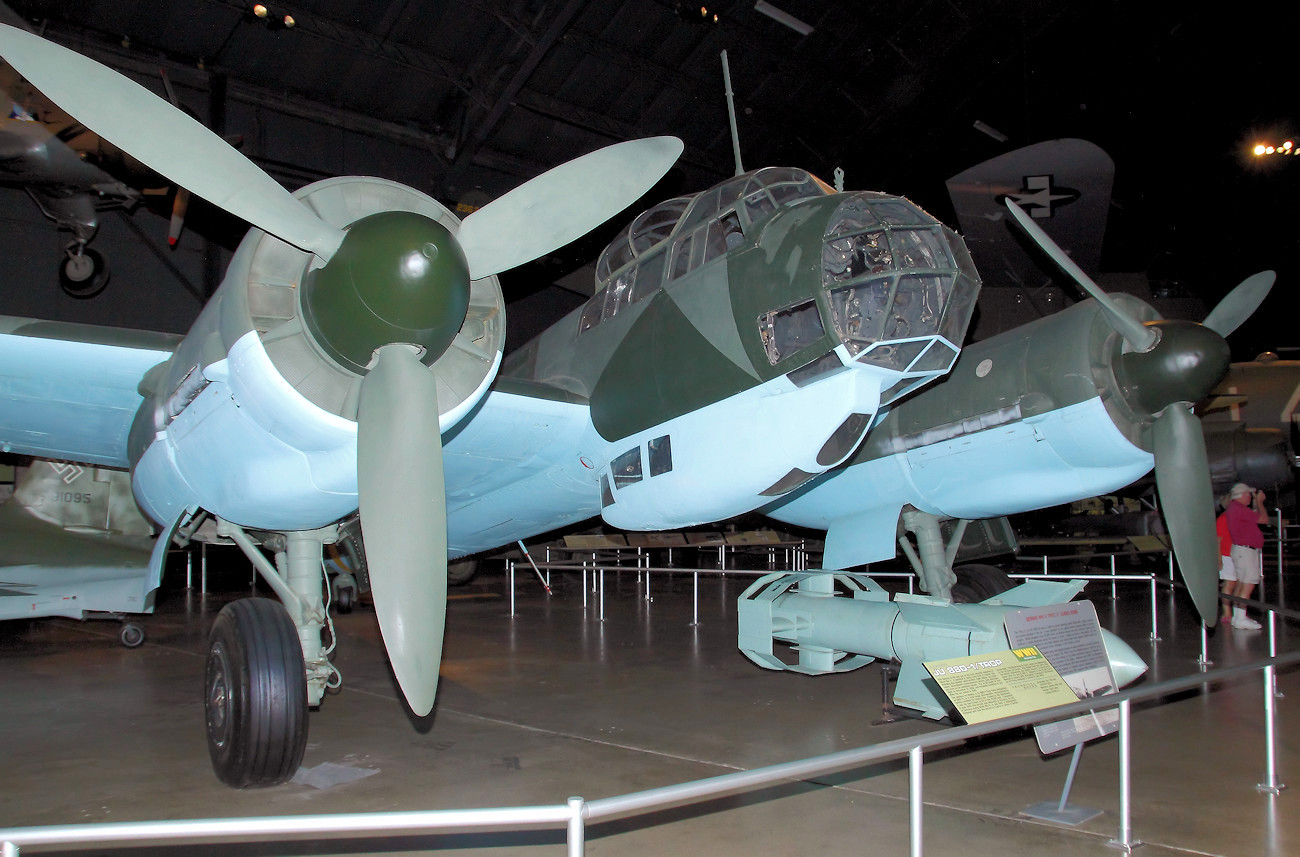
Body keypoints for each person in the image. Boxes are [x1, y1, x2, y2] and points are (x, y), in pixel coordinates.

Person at [1222, 482, 1269, 630]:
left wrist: (1256, 504)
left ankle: (1238, 616)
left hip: (1242, 550)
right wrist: (1260, 502)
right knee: (1248, 583)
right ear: (1242, 495)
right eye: (1248, 494)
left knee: (1243, 582)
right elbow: (1263, 519)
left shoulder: (1235, 509)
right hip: (1246, 551)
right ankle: (1241, 618)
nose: (1250, 497)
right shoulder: (1239, 509)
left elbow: (1254, 518)